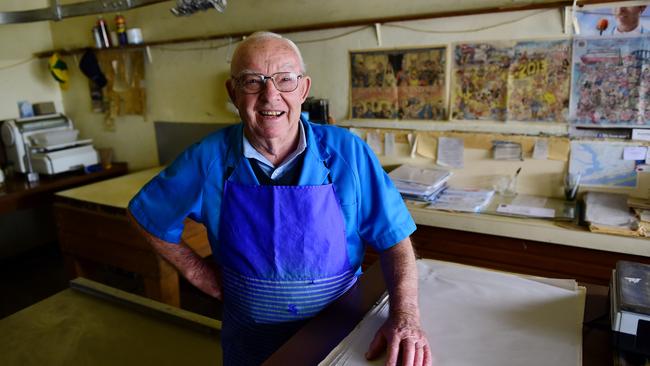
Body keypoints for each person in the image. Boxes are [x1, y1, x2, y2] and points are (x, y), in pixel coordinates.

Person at [127, 31, 431, 366]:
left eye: (285, 80)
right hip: (251, 343)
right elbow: (147, 215)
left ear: (303, 89)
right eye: (252, 81)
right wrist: (200, 274)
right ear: (233, 92)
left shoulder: (347, 152)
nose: (270, 95)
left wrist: (405, 316)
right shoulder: (208, 157)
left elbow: (395, 240)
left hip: (339, 332)